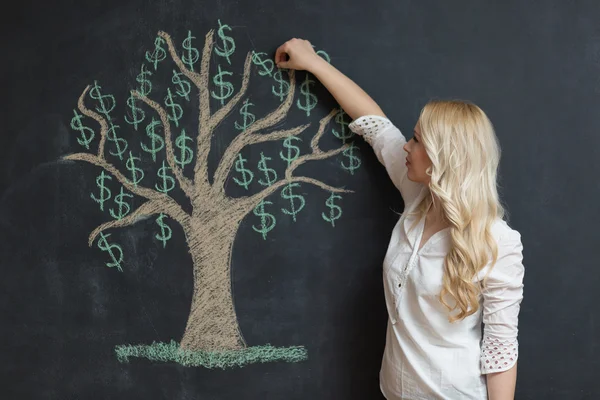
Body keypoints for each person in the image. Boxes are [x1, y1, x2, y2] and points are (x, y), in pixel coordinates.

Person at [274, 39, 525, 400]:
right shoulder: (418, 196)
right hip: (392, 392)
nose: (406, 146)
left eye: (417, 140)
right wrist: (313, 63)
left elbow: (500, 351)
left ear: (443, 157)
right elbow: (374, 125)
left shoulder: (498, 241)